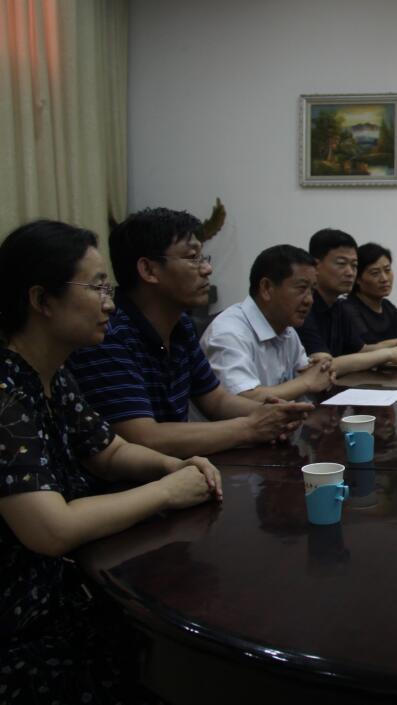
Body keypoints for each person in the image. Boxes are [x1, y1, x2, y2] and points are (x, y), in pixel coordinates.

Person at [0, 220, 222, 703]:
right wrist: (167, 491)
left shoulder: (52, 376)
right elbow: (51, 529)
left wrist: (171, 466)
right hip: (22, 628)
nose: (110, 303)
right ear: (42, 300)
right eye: (97, 287)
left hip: (67, 594)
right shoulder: (6, 391)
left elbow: (110, 451)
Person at [68, 208, 312, 457]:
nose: (207, 269)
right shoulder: (107, 333)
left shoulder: (181, 325)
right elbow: (143, 437)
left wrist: (274, 414)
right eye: (193, 258)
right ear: (149, 270)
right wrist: (251, 427)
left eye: (204, 257)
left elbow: (216, 400)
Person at [200, 244, 336, 401]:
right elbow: (242, 400)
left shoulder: (287, 329)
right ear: (266, 288)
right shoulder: (228, 333)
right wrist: (307, 382)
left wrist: (321, 374)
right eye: (301, 288)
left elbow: (306, 378)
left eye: (312, 290)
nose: (309, 300)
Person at [297, 229, 397, 376]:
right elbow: (323, 366)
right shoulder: (303, 306)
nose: (350, 272)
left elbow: (361, 350)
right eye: (341, 264)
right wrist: (390, 354)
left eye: (354, 265)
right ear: (316, 266)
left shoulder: (338, 306)